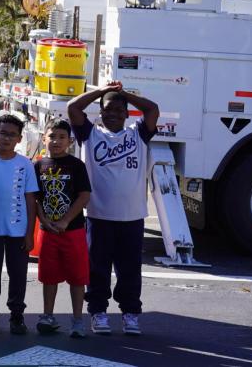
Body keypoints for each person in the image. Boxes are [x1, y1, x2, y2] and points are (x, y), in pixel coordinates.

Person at [67, 81, 159, 337]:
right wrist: (102, 91)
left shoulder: (138, 134)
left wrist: (122, 93)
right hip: (99, 216)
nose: (114, 114)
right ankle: (98, 312)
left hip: (132, 217)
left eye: (120, 110)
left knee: (130, 270)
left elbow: (152, 110)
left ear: (128, 114)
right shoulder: (90, 134)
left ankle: (130, 314)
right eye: (108, 109)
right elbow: (73, 107)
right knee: (97, 268)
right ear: (100, 112)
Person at [0, 114, 40, 334]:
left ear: (19, 139)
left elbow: (31, 200)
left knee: (18, 274)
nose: (6, 138)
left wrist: (30, 233)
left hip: (18, 230)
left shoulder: (25, 165)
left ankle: (16, 316)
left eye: (12, 134)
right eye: (2, 133)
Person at [34, 120, 93, 338]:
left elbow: (84, 195)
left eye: (61, 137)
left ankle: (78, 320)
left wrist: (66, 220)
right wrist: (44, 220)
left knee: (78, 278)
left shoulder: (77, 166)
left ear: (70, 141)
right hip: (48, 232)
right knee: (49, 278)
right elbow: (36, 198)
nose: (56, 141)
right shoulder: (38, 166)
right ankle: (47, 316)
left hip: (73, 231)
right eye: (52, 136)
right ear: (44, 138)